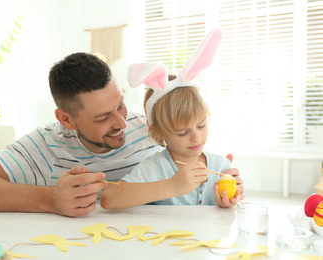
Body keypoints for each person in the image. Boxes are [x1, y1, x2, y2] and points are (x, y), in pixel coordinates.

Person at [0, 51, 244, 217]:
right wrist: (48, 199)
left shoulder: (150, 126)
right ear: (66, 120)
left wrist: (225, 179)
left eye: (121, 105)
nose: (122, 123)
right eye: (102, 117)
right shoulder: (45, 145)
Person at [101, 29, 242, 209]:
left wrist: (231, 201)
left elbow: (234, 209)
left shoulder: (221, 165)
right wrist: (173, 186)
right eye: (182, 132)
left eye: (201, 125)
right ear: (158, 132)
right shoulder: (155, 168)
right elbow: (109, 199)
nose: (196, 138)